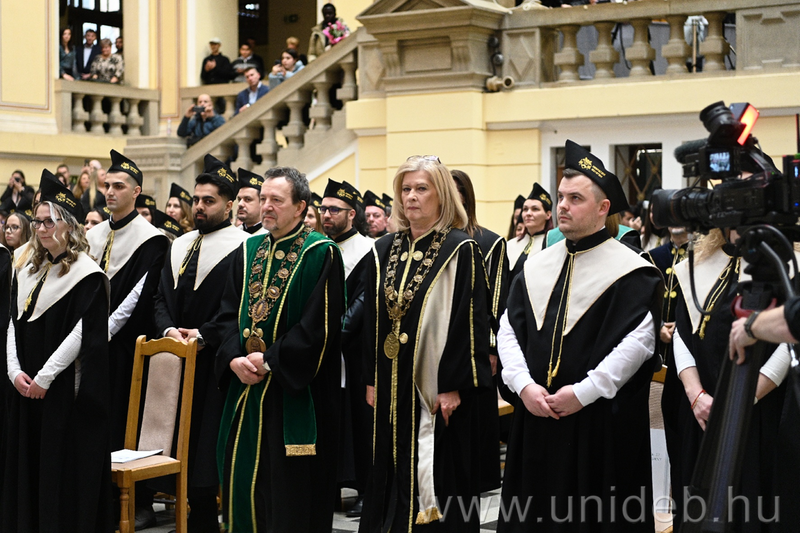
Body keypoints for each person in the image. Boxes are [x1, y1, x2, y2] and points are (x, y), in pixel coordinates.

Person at [497, 140, 663, 533]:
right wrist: (523, 385)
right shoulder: (535, 266)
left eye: (575, 198)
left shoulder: (633, 272)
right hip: (536, 416)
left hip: (598, 425)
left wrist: (584, 392)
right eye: (560, 197)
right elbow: (508, 330)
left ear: (603, 208)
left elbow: (638, 344)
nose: (563, 207)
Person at [359, 156, 492, 532]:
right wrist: (371, 377)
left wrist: (453, 385)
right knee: (388, 464)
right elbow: (372, 320)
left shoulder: (460, 249)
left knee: (437, 471)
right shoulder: (383, 249)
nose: (411, 197)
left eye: (421, 188)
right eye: (405, 189)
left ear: (442, 195)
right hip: (390, 382)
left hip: (435, 389)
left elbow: (470, 322)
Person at [215, 166, 346, 533]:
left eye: (277, 199)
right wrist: (233, 358)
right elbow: (225, 314)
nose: (267, 206)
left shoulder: (321, 253)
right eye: (263, 199)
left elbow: (318, 329)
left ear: (301, 207)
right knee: (244, 484)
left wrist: (270, 361)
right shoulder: (248, 250)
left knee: (288, 494)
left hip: (292, 390)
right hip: (246, 388)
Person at [3, 170, 112, 532]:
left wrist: (45, 378)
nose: (41, 228)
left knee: (53, 468)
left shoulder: (86, 274)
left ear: (69, 226)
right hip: (23, 385)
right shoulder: (26, 268)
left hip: (59, 390)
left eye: (49, 221)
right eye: (37, 221)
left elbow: (82, 333)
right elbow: (12, 322)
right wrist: (13, 370)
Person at [153, 154, 248, 533]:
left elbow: (237, 308)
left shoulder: (244, 246)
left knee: (206, 440)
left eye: (209, 201)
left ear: (229, 204)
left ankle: (206, 513)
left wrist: (204, 335)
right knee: (176, 435)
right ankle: (182, 505)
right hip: (176, 357)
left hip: (214, 362)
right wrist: (168, 331)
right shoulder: (179, 243)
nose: (199, 207)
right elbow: (160, 297)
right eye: (196, 200)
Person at [85, 150, 168, 529]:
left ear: (136, 192)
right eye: (107, 185)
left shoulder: (152, 241)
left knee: (125, 421)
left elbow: (138, 298)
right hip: (87, 345)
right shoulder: (92, 235)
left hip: (125, 348)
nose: (110, 192)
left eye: (119, 186)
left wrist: (98, 335)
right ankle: (94, 498)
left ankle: (138, 502)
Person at [451, 168, 507, 493]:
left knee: (475, 417)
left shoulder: (488, 241)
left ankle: (477, 479)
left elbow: (496, 300)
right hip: (442, 347)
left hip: (477, 346)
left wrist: (491, 348)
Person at [319, 179, 373, 515]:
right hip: (323, 350)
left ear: (351, 214)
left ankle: (367, 489)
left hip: (354, 352)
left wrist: (333, 335)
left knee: (360, 422)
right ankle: (330, 487)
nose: (326, 215)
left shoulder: (368, 250)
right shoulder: (318, 247)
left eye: (334, 210)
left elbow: (363, 302)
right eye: (323, 209)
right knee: (330, 421)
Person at [509, 183, 553, 281]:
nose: (528, 213)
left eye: (535, 209)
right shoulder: (511, 244)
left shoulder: (552, 244)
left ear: (548, 215)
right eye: (525, 209)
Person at [235, 168, 266, 234]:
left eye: (248, 199)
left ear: (262, 203)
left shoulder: (272, 235)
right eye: (239, 199)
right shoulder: (233, 234)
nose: (240, 204)